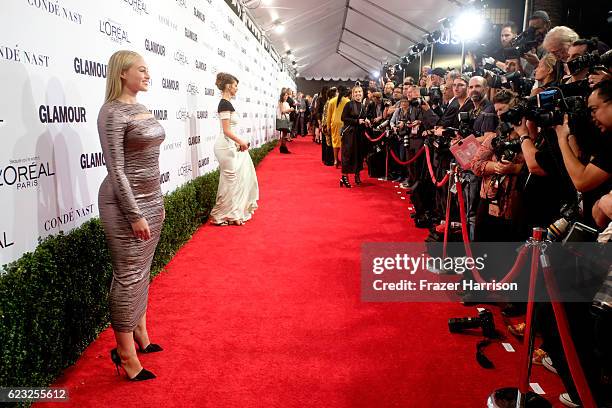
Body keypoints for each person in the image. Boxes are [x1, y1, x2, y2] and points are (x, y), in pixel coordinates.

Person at [98, 50, 164, 381]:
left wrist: (154, 201)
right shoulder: (111, 112)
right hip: (124, 204)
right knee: (127, 275)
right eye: (142, 69)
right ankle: (125, 356)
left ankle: (141, 335)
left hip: (151, 199)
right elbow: (117, 169)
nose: (148, 74)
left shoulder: (141, 107)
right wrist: (135, 212)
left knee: (143, 270)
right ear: (122, 73)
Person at [209, 72, 259, 226]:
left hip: (230, 145)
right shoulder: (224, 103)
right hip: (225, 146)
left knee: (232, 181)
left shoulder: (227, 103)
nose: (237, 89)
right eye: (235, 85)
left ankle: (232, 214)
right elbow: (226, 130)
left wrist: (238, 143)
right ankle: (223, 215)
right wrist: (241, 141)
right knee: (230, 181)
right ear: (228, 86)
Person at [339, 85, 370, 187]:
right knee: (347, 155)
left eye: (360, 92)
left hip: (359, 134)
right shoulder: (348, 104)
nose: (358, 94)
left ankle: (357, 175)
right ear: (352, 94)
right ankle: (344, 177)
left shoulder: (363, 105)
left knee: (358, 155)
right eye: (356, 92)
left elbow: (363, 117)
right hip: (349, 134)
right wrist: (357, 121)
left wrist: (366, 121)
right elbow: (343, 118)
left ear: (362, 93)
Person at [326, 85, 351, 168]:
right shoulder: (347, 101)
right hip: (345, 123)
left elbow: (328, 115)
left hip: (334, 123)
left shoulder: (332, 101)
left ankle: (336, 161)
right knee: (344, 142)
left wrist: (328, 126)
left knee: (335, 142)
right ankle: (344, 161)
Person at [276, 90, 294, 154]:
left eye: (287, 95)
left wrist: (290, 110)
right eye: (285, 95)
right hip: (283, 119)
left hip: (286, 119)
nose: (286, 96)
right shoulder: (281, 102)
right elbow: (282, 111)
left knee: (285, 134)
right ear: (282, 96)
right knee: (284, 134)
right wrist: (290, 109)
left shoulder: (286, 103)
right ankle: (283, 148)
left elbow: (287, 112)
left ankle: (283, 147)